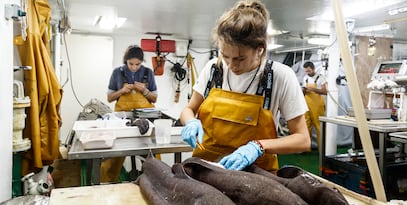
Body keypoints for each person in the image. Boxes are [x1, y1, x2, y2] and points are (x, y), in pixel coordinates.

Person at [180, 0, 310, 172]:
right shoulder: (214, 69)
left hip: (257, 175)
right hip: (207, 170)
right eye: (225, 56)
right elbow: (188, 109)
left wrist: (258, 147)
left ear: (260, 49)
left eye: (240, 59)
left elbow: (302, 139)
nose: (231, 65)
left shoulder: (279, 76)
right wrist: (190, 122)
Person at [101, 45, 158, 182]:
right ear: (125, 61)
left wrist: (144, 90)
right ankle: (107, 184)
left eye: (137, 64)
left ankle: (153, 183)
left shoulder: (148, 73)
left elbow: (154, 98)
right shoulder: (117, 73)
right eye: (131, 64)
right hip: (123, 121)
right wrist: (121, 91)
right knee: (114, 156)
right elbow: (109, 98)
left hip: (144, 121)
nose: (134, 67)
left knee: (152, 155)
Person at [302, 61, 327, 152]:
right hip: (307, 104)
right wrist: (303, 90)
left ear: (313, 69)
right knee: (306, 125)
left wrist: (313, 89)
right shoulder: (305, 78)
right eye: (306, 71)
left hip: (318, 105)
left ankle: (322, 149)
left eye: (309, 71)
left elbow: (325, 92)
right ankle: (306, 148)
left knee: (319, 127)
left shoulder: (321, 78)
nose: (307, 73)